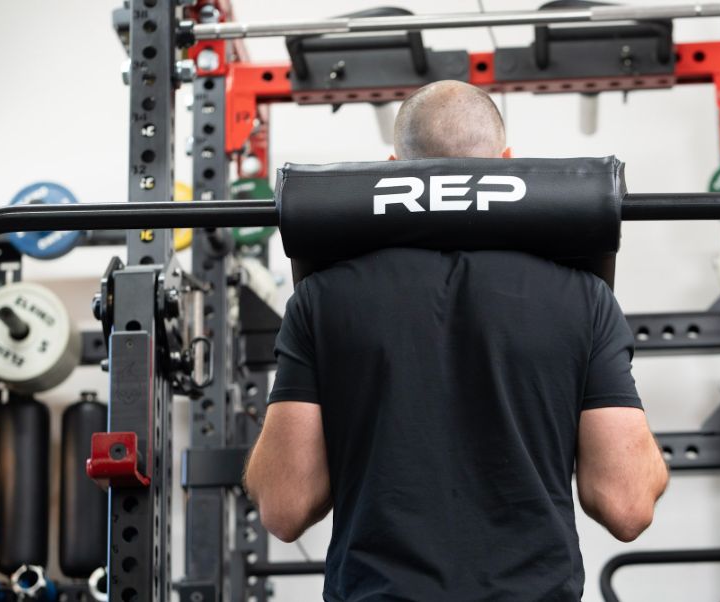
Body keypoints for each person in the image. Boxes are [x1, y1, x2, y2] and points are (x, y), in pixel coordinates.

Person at [244, 80, 669, 601]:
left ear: (395, 165)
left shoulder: (320, 301)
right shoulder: (584, 300)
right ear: (507, 162)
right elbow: (627, 504)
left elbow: (284, 506)